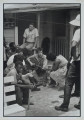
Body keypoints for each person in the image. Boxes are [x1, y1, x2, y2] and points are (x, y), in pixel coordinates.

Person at [55, 14, 80, 112]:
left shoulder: (79, 31)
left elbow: (73, 45)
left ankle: (65, 105)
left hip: (78, 60)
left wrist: (74, 57)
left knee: (68, 83)